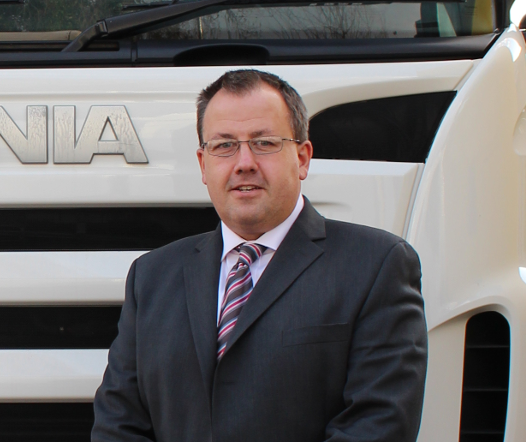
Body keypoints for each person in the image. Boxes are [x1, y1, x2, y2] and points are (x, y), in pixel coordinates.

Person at [91, 69, 427, 442]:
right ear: (203, 164)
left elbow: (378, 425)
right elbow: (118, 424)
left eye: (264, 142)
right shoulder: (152, 276)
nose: (244, 162)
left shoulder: (377, 266)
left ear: (302, 157)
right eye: (224, 145)